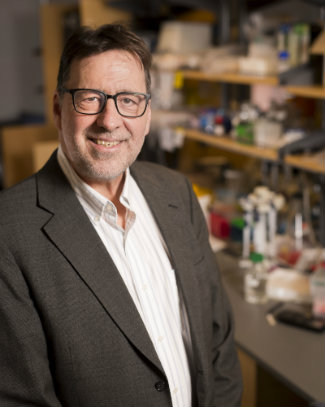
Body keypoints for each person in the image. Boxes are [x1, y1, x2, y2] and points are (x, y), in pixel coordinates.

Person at [0, 23, 242, 407]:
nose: (110, 120)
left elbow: (219, 340)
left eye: (128, 100)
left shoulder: (176, 192)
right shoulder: (9, 233)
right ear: (59, 108)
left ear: (146, 114)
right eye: (90, 98)